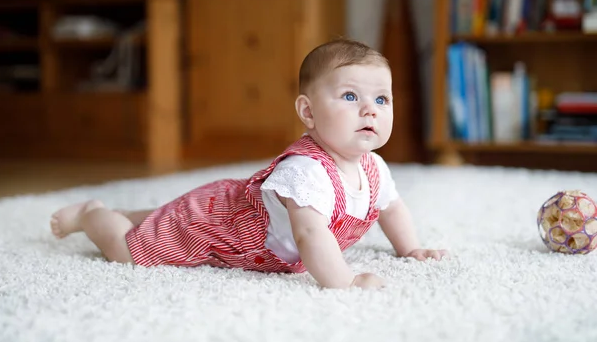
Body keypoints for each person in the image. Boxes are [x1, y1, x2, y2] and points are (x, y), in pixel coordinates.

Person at [50, 38, 449, 289]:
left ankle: (130, 214)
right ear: (307, 112)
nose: (370, 110)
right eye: (350, 96)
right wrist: (343, 282)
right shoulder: (307, 171)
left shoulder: (374, 169)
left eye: (382, 100)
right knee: (133, 250)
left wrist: (411, 248)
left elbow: (390, 207)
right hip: (217, 224)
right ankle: (92, 215)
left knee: (165, 216)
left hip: (224, 205)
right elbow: (310, 236)